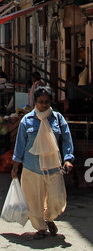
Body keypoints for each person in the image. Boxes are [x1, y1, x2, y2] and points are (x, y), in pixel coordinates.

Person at [11, 86, 74, 239]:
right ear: (35, 102)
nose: (44, 105)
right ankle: (40, 227)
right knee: (33, 200)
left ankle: (49, 217)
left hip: (54, 167)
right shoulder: (27, 120)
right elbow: (20, 144)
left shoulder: (58, 118)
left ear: (51, 102)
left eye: (46, 102)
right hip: (32, 168)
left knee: (57, 198)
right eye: (41, 102)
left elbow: (66, 140)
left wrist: (68, 159)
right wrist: (15, 166)